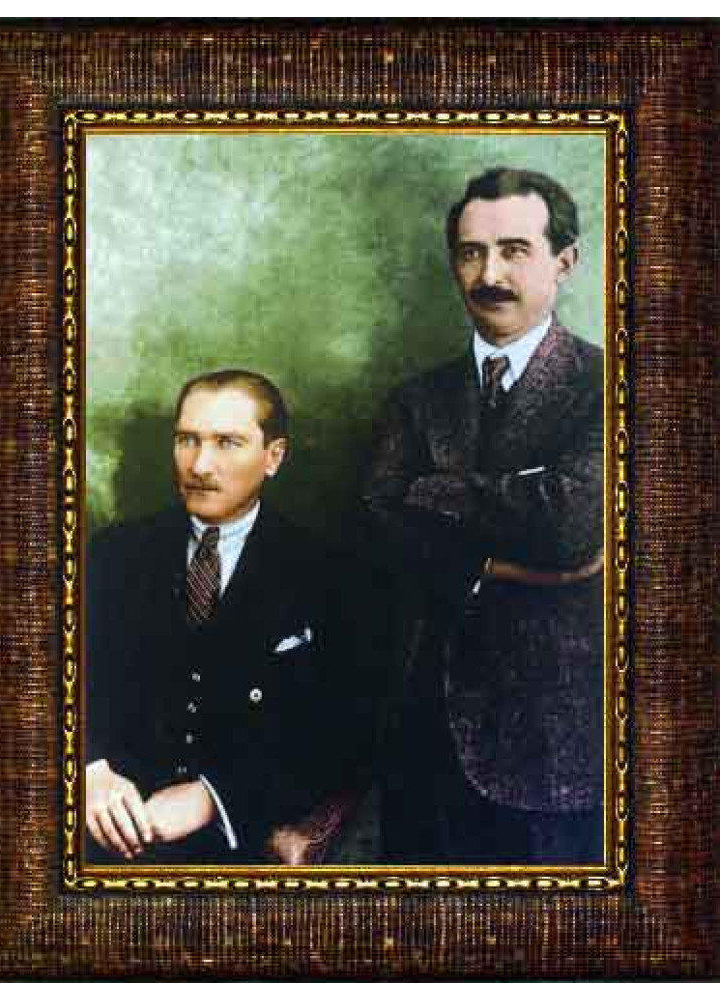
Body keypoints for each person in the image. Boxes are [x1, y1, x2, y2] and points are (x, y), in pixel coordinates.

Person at [361, 167, 605, 865]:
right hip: (422, 741)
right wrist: (508, 548)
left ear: (564, 261)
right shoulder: (416, 400)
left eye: (514, 251)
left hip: (555, 752)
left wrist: (434, 490)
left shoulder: (612, 387)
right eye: (471, 253)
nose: (488, 274)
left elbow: (570, 526)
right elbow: (379, 527)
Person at [85, 369, 384, 865]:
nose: (200, 464)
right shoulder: (113, 553)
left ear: (274, 456)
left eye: (228, 442)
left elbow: (344, 731)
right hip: (109, 824)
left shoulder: (330, 573)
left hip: (241, 835)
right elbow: (56, 678)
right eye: (187, 440)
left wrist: (213, 797)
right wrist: (90, 768)